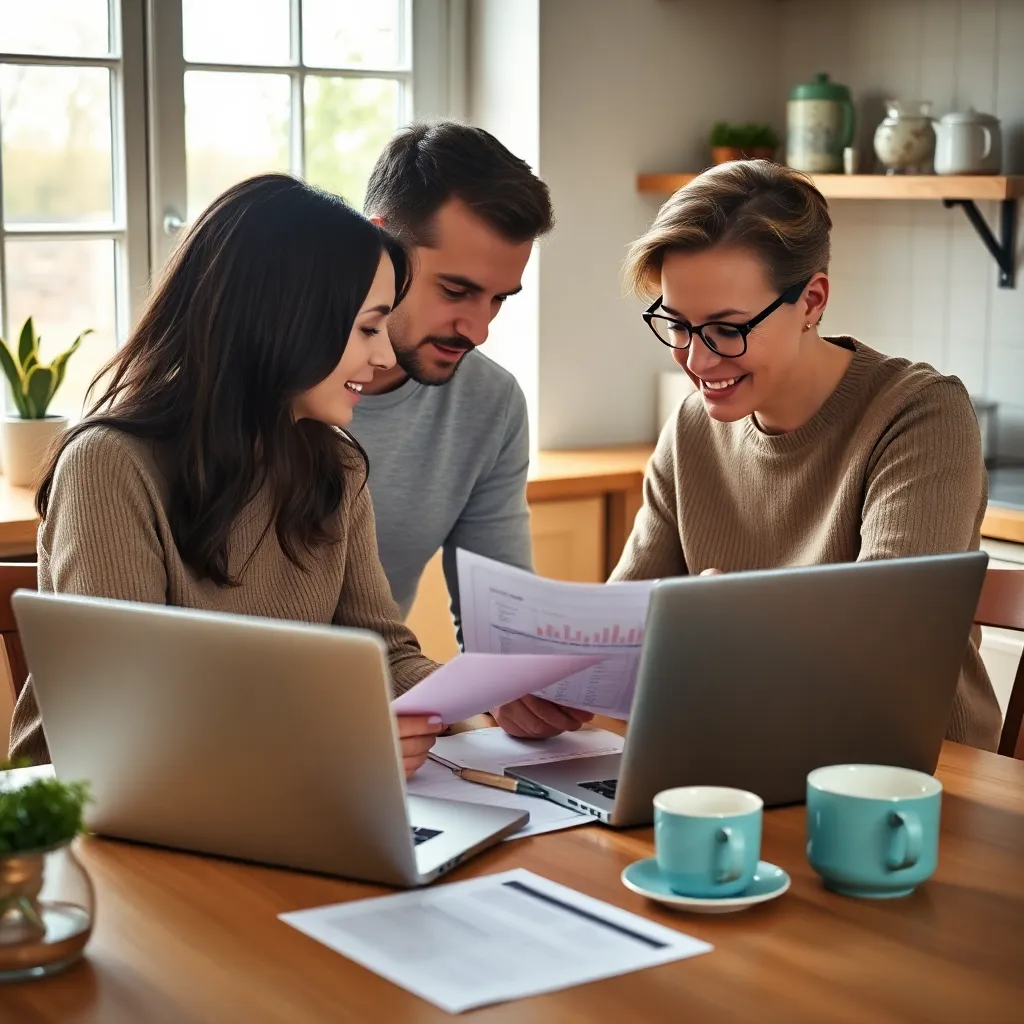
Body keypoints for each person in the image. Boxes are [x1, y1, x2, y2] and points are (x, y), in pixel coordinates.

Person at [8, 174, 444, 775]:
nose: (386, 357)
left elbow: (388, 656)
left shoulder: (334, 466)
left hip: (272, 794)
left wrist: (488, 707)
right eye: (368, 327)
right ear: (283, 320)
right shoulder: (109, 467)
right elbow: (125, 714)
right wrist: (332, 738)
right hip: (95, 820)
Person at [604, 158, 1001, 750]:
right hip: (743, 745)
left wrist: (730, 626)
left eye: (727, 328)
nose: (698, 360)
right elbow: (622, 625)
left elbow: (886, 646)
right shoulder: (691, 429)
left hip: (911, 773)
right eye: (678, 324)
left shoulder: (920, 414)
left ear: (811, 301)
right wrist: (556, 672)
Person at [353, 121, 592, 740]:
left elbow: (502, 634)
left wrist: (520, 689)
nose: (477, 329)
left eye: (498, 299)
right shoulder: (263, 391)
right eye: (456, 290)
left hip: (376, 731)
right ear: (378, 249)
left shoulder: (491, 403)